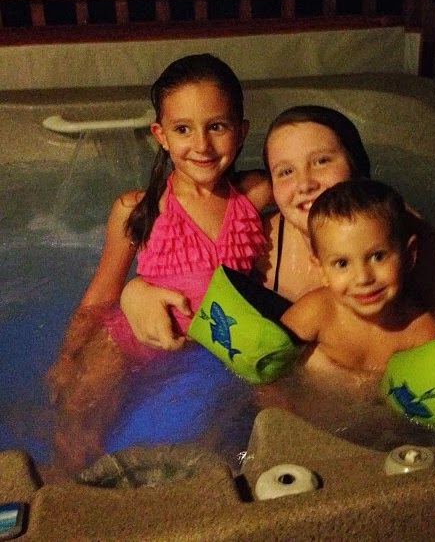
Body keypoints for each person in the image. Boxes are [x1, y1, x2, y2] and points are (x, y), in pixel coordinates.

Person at [46, 53, 271, 474]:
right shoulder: (138, 209)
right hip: (126, 343)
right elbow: (102, 293)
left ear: (241, 132)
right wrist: (69, 356)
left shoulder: (253, 195)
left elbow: (316, 190)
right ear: (160, 135)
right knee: (78, 428)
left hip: (215, 344)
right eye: (183, 129)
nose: (201, 145)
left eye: (217, 127)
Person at [120, 105, 435, 349]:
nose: (304, 184)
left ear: (357, 167)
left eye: (322, 161)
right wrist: (134, 293)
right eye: (285, 171)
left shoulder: (400, 228)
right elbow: (200, 295)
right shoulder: (262, 240)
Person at [280, 179, 435, 376]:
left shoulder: (422, 335)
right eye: (342, 263)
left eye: (378, 256)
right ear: (321, 270)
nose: (363, 278)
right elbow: (268, 372)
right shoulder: (314, 314)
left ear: (409, 255)